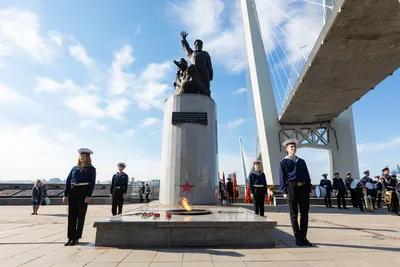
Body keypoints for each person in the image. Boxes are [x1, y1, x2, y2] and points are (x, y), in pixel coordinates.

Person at [279, 139, 312, 247]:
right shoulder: (283, 162)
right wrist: (284, 191)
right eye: (291, 147)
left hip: (303, 188)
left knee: (305, 214)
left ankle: (304, 236)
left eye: (294, 147)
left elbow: (307, 176)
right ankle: (297, 237)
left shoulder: (301, 161)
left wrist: (309, 189)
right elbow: (282, 177)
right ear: (287, 149)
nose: (293, 148)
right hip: (292, 188)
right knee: (294, 214)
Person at [63, 148, 96, 246]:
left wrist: (88, 195)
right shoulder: (74, 168)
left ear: (88, 157)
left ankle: (77, 237)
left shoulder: (91, 169)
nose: (82, 158)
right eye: (81, 156)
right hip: (73, 191)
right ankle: (70, 237)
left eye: (84, 156)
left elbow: (92, 183)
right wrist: (65, 194)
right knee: (71, 215)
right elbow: (68, 181)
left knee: (80, 215)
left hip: (83, 192)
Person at [180, 31, 213, 96]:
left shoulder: (205, 54)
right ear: (195, 46)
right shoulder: (192, 54)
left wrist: (211, 75)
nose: (198, 46)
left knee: (205, 90)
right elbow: (187, 48)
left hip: (204, 74)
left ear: (202, 46)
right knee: (194, 89)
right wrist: (184, 39)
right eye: (197, 44)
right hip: (194, 74)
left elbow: (209, 65)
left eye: (200, 45)